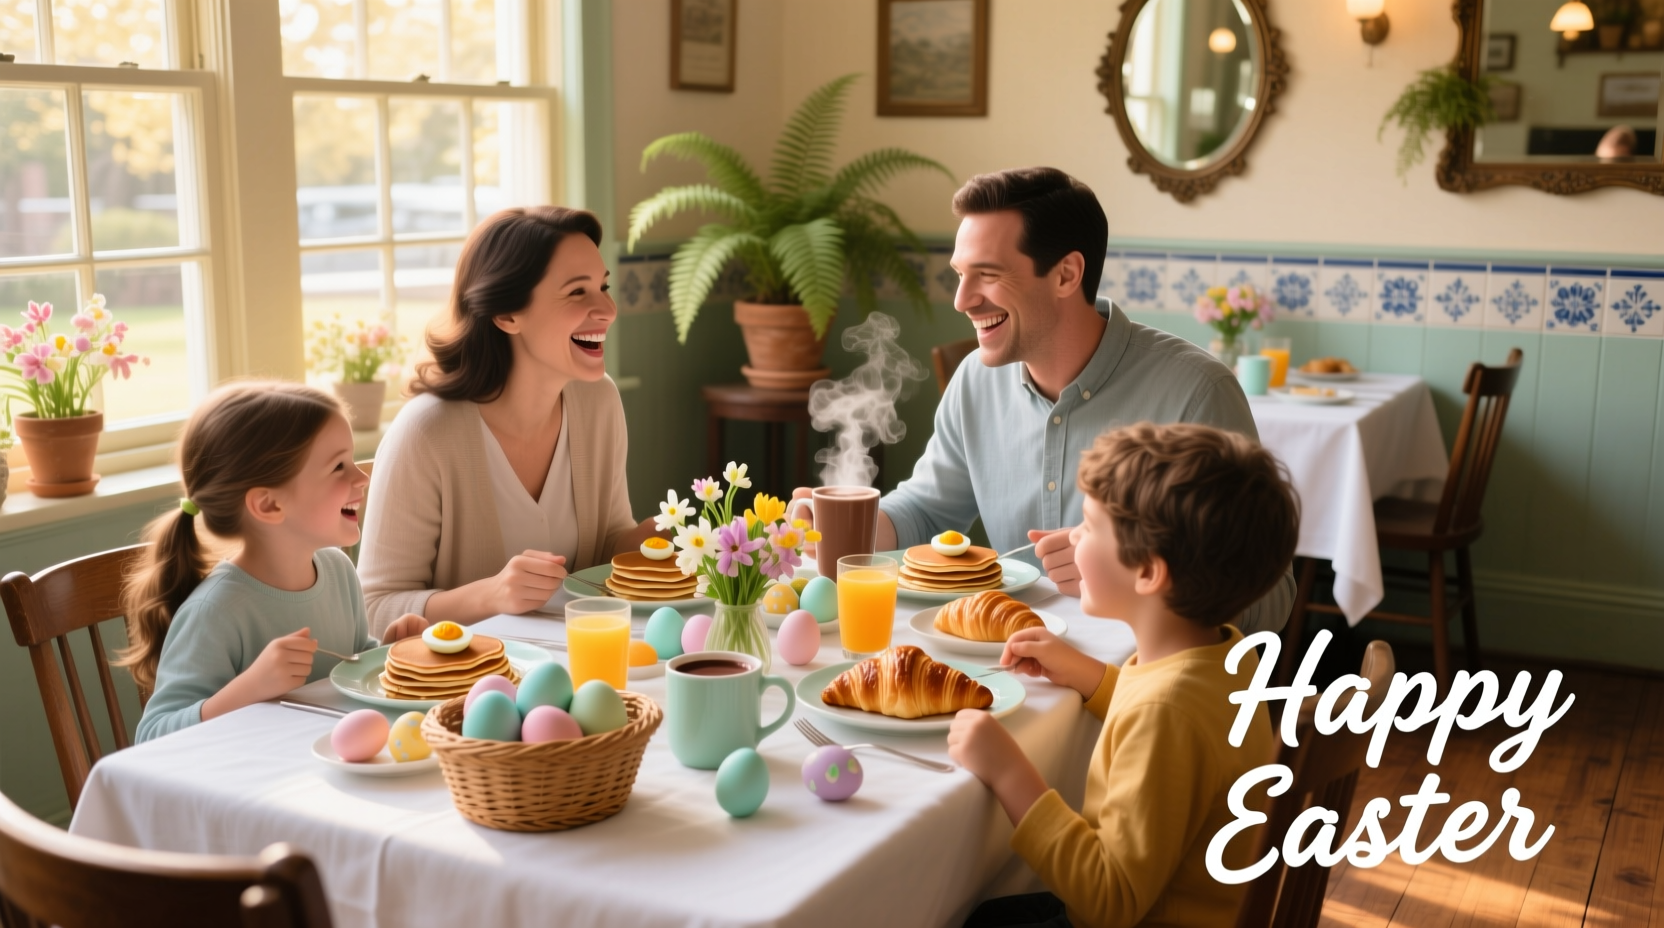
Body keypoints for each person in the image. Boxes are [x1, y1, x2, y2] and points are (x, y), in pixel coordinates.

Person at [794, 167, 1293, 633]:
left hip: (1143, 694)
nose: (962, 299)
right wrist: (848, 524)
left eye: (987, 275)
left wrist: (1128, 576)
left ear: (1065, 275)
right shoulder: (975, 381)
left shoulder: (1196, 393)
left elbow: (1268, 603)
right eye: (959, 274)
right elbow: (926, 512)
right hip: (1011, 665)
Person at [948, 423, 1293, 928]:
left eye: (1088, 526)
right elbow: (1173, 721)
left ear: (1149, 572)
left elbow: (1110, 902)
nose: (1072, 538)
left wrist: (1008, 771)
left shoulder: (1165, 714)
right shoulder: (1224, 653)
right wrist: (1091, 677)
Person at [357, 206, 658, 636]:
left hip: (578, 659)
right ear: (507, 315)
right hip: (463, 689)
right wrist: (491, 596)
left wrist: (658, 541)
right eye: (577, 292)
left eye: (603, 286)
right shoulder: (427, 432)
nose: (607, 309)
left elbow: (609, 539)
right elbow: (374, 607)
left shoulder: (598, 400)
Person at [124, 383, 425, 742]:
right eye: (338, 467)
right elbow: (152, 738)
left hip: (323, 772)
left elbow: (350, 670)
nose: (361, 478)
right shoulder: (214, 610)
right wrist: (249, 688)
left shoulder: (339, 570)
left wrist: (391, 654)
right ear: (268, 505)